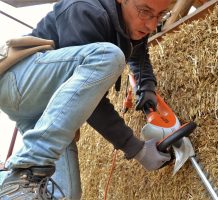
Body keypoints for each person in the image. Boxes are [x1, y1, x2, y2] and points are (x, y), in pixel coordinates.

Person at [0, 0, 173, 199]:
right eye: (145, 12)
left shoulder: (132, 24)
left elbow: (138, 55)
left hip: (40, 108)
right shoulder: (86, 9)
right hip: (18, 79)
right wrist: (135, 147)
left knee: (65, 193)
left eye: (160, 16)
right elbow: (92, 102)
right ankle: (27, 167)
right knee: (108, 56)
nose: (151, 25)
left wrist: (146, 88)